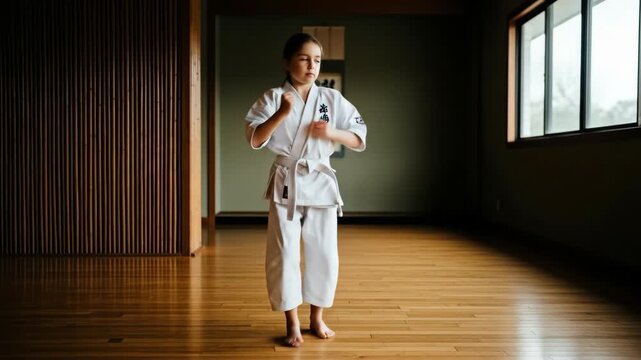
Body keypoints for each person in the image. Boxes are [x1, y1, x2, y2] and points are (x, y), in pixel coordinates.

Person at [244, 33, 367, 347]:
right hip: (287, 181)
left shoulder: (328, 100)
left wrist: (332, 132)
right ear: (287, 63)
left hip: (320, 180)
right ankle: (292, 322)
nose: (312, 65)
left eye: (317, 60)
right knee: (284, 253)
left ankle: (317, 317)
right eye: (304, 58)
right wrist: (282, 114)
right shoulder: (272, 97)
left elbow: (358, 137)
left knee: (324, 252)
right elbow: (255, 139)